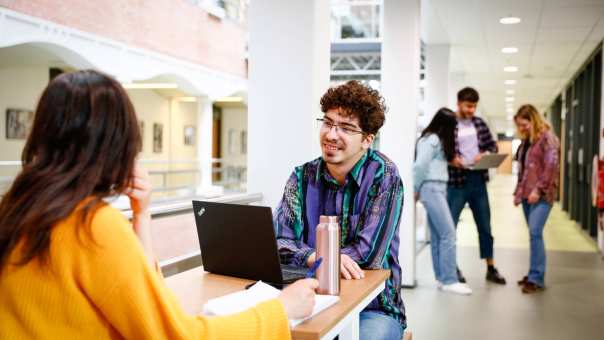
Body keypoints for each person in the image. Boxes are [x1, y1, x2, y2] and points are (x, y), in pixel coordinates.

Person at [0, 70, 318, 339]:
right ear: (116, 142)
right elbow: (174, 335)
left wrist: (141, 214)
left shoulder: (18, 208)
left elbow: (141, 296)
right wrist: (281, 309)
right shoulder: (92, 224)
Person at [274, 80, 406, 339]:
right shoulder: (301, 177)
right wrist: (315, 257)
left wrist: (307, 256)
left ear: (368, 139)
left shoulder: (384, 176)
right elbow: (280, 242)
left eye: (346, 128)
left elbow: (368, 256)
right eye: (328, 123)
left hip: (373, 307)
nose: (332, 135)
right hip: (310, 296)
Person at [447, 87, 507, 285]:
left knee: (485, 226)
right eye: (468, 106)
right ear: (459, 103)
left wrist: (485, 154)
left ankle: (490, 267)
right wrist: (451, 159)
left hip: (478, 180)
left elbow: (493, 146)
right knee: (451, 228)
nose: (472, 110)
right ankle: (452, 268)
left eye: (474, 106)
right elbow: (440, 150)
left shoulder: (479, 123)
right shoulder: (449, 123)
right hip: (456, 181)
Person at [414, 108, 472, 295]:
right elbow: (420, 165)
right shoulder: (431, 139)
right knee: (449, 233)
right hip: (431, 188)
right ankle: (449, 279)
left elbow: (433, 163)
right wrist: (416, 188)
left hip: (438, 187)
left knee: (439, 236)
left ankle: (441, 278)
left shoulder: (436, 140)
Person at [513, 104, 560, 294]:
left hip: (541, 196)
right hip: (527, 196)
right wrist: (518, 193)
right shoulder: (527, 141)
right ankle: (533, 272)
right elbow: (523, 169)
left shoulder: (548, 139)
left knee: (535, 232)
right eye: (519, 125)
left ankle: (537, 278)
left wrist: (538, 191)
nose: (522, 128)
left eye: (524, 124)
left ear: (534, 120)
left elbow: (551, 167)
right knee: (533, 235)